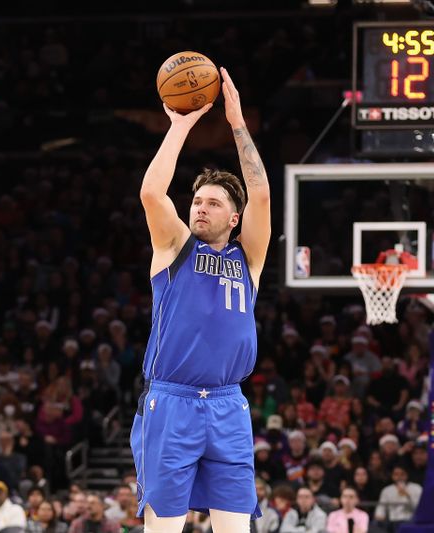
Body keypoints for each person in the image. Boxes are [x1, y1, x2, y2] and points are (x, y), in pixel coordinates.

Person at [131, 66, 271, 532]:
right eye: (197, 202)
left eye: (213, 204)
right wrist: (180, 125)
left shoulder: (247, 257)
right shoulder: (175, 247)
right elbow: (152, 192)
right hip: (173, 402)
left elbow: (262, 194)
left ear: (234, 219)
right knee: (164, 528)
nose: (200, 208)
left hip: (229, 405)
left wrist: (236, 122)